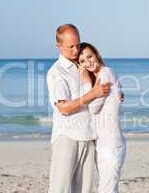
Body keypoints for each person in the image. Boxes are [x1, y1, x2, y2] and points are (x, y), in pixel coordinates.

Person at [46, 24, 111, 193]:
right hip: (67, 137)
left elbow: (103, 82)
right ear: (59, 46)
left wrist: (116, 93)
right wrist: (94, 94)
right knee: (60, 189)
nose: (76, 50)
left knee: (84, 190)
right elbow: (64, 108)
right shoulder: (56, 73)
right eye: (71, 47)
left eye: (78, 44)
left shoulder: (83, 64)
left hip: (88, 136)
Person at [78, 42, 126, 193]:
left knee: (106, 189)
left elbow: (92, 107)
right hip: (104, 143)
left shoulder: (105, 73)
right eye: (82, 61)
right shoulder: (100, 77)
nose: (88, 62)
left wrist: (86, 80)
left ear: (96, 54)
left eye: (89, 56)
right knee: (110, 188)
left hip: (110, 145)